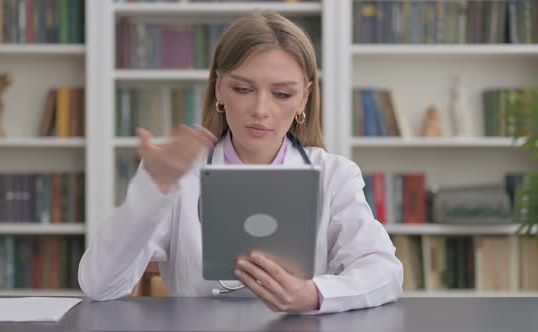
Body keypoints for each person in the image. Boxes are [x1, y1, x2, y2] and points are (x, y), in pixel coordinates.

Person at [78, 11, 403, 314]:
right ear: (219, 88)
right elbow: (99, 285)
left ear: (304, 97)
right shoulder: (178, 175)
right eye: (243, 88)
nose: (260, 110)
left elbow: (385, 272)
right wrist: (151, 190)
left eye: (282, 94)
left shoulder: (334, 176)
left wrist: (314, 294)